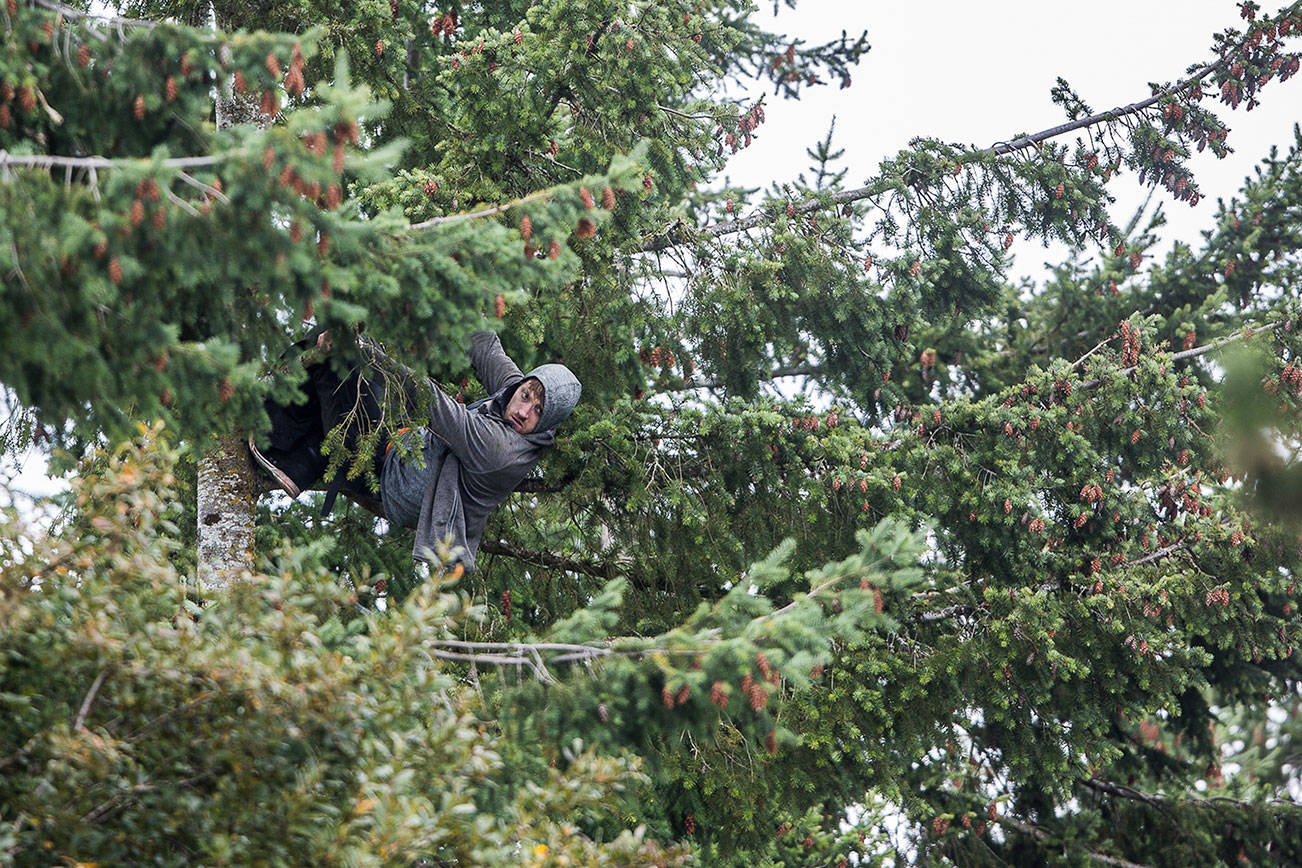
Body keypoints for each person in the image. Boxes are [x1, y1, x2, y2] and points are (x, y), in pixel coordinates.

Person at [248, 330, 581, 569]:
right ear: (523, 385)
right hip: (406, 451)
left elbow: (435, 404)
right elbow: (485, 346)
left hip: (398, 485)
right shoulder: (513, 394)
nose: (524, 411)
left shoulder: (502, 449)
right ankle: (304, 464)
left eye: (538, 410)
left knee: (344, 361)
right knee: (345, 365)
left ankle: (274, 446)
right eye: (526, 396)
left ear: (548, 421)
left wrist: (367, 352)